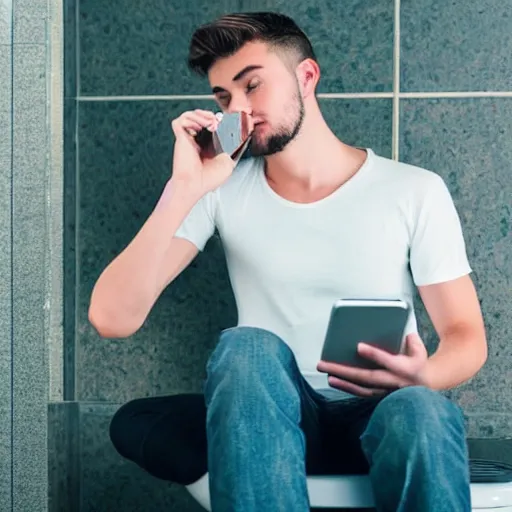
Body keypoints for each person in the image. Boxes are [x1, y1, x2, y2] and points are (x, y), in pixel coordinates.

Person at [88, 11, 488, 512]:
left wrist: (420, 375)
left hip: (385, 414)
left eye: (252, 85)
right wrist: (184, 188)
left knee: (421, 413)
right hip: (274, 415)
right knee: (246, 347)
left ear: (306, 77)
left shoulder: (414, 190)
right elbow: (111, 318)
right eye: (223, 98)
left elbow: (467, 336)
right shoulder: (220, 191)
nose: (241, 110)